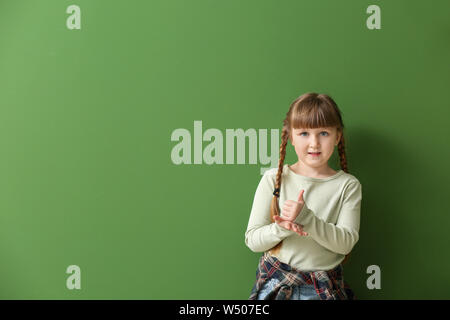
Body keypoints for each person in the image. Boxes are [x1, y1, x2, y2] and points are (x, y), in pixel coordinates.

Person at [245, 92, 362, 300]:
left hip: (324, 287)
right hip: (276, 283)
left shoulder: (347, 186)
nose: (314, 143)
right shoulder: (274, 179)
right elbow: (253, 240)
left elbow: (345, 243)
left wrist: (307, 219)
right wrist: (282, 227)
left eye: (323, 133)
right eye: (304, 133)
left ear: (337, 136)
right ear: (290, 136)